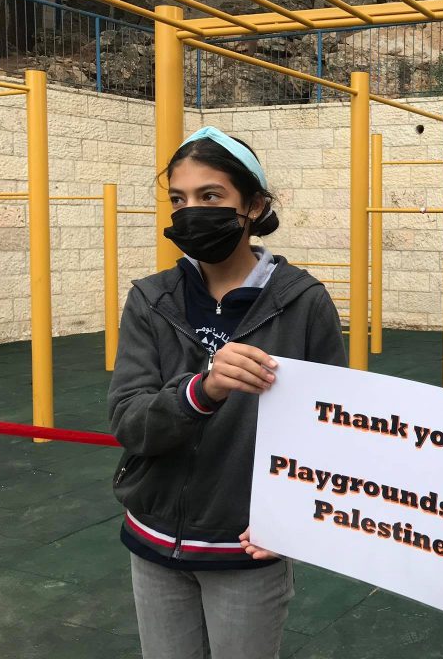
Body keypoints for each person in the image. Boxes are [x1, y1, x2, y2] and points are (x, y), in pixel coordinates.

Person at [108, 126, 346, 659]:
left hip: (248, 550)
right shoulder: (151, 299)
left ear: (254, 205)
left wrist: (291, 520)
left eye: (211, 196)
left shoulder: (304, 302)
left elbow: (330, 428)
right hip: (153, 540)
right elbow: (128, 419)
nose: (191, 212)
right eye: (179, 199)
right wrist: (202, 390)